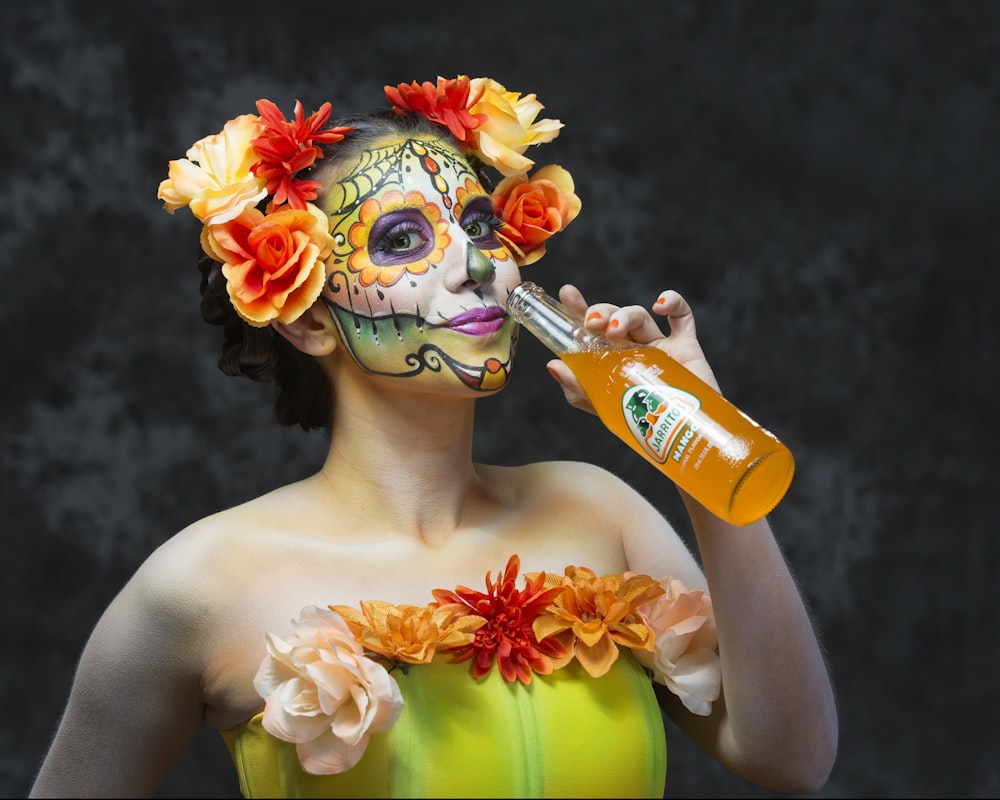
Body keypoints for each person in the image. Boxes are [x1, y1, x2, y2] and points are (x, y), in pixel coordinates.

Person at [29, 75, 837, 799]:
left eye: (481, 226)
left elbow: (789, 758)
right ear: (310, 317)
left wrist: (699, 440)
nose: (478, 265)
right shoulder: (202, 583)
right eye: (404, 240)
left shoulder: (601, 511)